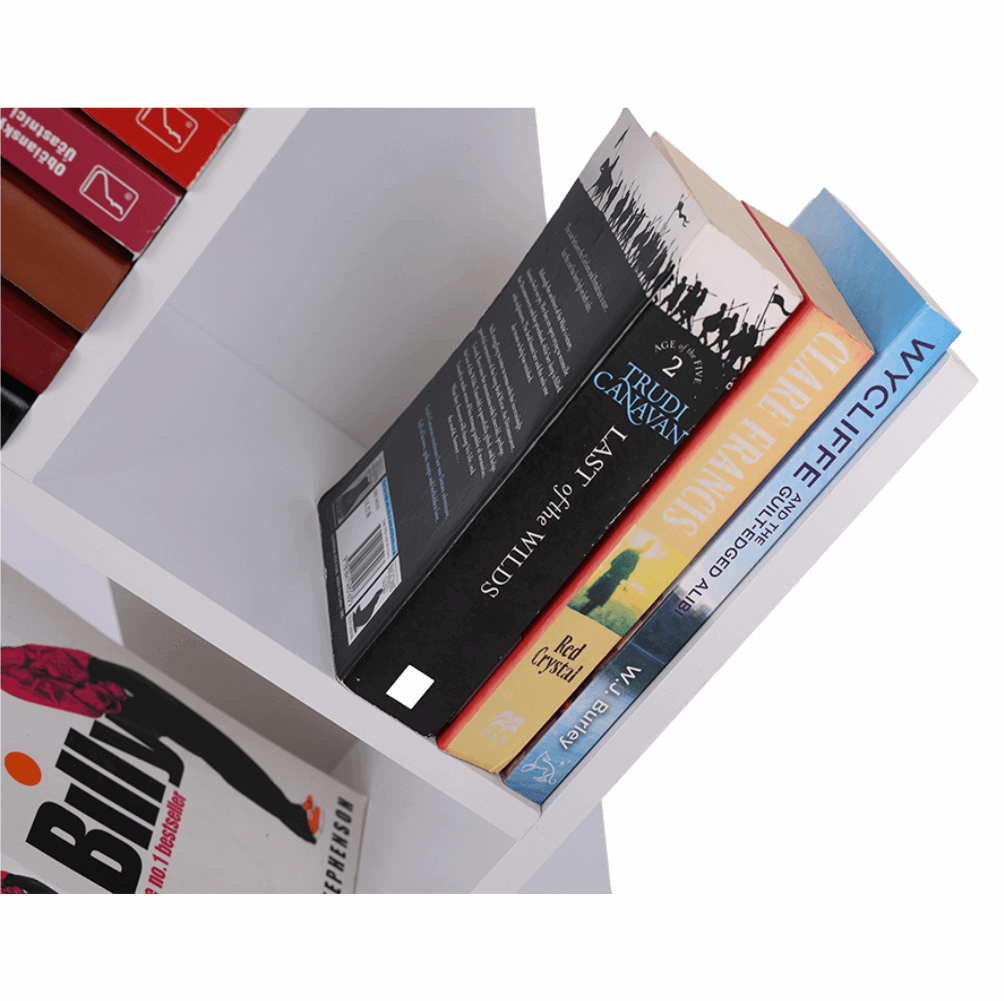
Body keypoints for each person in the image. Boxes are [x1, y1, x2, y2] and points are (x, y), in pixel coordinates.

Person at [1, 644, 319, 843]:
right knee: (216, 750)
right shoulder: (5, 673)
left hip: (112, 680)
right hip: (117, 693)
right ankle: (292, 817)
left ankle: (289, 810)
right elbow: (54, 695)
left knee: (216, 745)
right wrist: (109, 697)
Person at [576, 540, 656, 618]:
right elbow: (614, 561)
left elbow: (629, 572)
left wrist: (625, 581)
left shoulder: (637, 557)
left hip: (615, 581)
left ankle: (583, 612)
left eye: (649, 548)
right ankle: (582, 612)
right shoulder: (629, 551)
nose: (647, 549)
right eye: (648, 546)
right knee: (596, 597)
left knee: (598, 600)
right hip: (610, 576)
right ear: (645, 545)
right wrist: (619, 572)